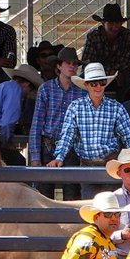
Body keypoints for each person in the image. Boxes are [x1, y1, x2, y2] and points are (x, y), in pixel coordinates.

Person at [48, 62, 130, 179]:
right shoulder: (75, 107)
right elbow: (67, 135)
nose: (98, 87)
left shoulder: (117, 107)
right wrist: (59, 157)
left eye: (102, 82)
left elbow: (129, 136)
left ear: (106, 84)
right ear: (86, 85)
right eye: (93, 83)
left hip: (112, 165)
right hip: (86, 166)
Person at [29, 47, 85, 195]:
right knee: (44, 195)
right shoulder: (45, 89)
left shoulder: (82, 91)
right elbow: (37, 124)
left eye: (74, 64)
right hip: (48, 145)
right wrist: (35, 157)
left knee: (72, 194)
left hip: (72, 147)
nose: (72, 66)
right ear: (59, 66)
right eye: (68, 63)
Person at [81, 3, 130, 99]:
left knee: (129, 78)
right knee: (82, 78)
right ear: (103, 23)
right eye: (110, 23)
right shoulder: (93, 36)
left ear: (121, 23)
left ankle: (122, 104)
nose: (115, 27)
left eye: (117, 23)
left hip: (119, 75)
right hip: (96, 73)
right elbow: (87, 62)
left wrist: (115, 73)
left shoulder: (128, 36)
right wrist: (110, 72)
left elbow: (127, 62)